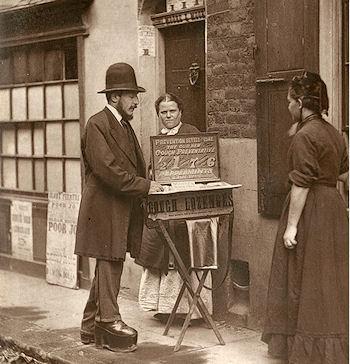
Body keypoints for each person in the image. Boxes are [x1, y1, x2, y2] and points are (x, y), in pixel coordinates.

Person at [74, 62, 163, 353]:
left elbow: (130, 165)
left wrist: (147, 182)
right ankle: (108, 320)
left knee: (108, 262)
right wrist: (145, 186)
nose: (137, 101)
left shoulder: (123, 125)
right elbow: (107, 170)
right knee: (109, 261)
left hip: (118, 206)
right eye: (132, 96)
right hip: (104, 207)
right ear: (115, 97)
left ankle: (90, 327)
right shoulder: (97, 123)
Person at [261, 71, 349, 363]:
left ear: (300, 102)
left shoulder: (304, 135)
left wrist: (291, 227)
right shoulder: (334, 132)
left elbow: (301, 184)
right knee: (329, 279)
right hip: (333, 210)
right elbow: (345, 173)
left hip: (310, 210)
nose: (287, 107)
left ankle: (305, 350)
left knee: (304, 277)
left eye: (289, 101)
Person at [136, 93, 213, 322]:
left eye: (172, 111)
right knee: (162, 252)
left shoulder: (191, 134)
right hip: (165, 205)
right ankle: (166, 308)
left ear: (181, 112)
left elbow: (203, 165)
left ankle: (192, 310)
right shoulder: (158, 139)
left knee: (186, 252)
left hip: (186, 206)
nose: (168, 116)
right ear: (158, 114)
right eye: (163, 112)